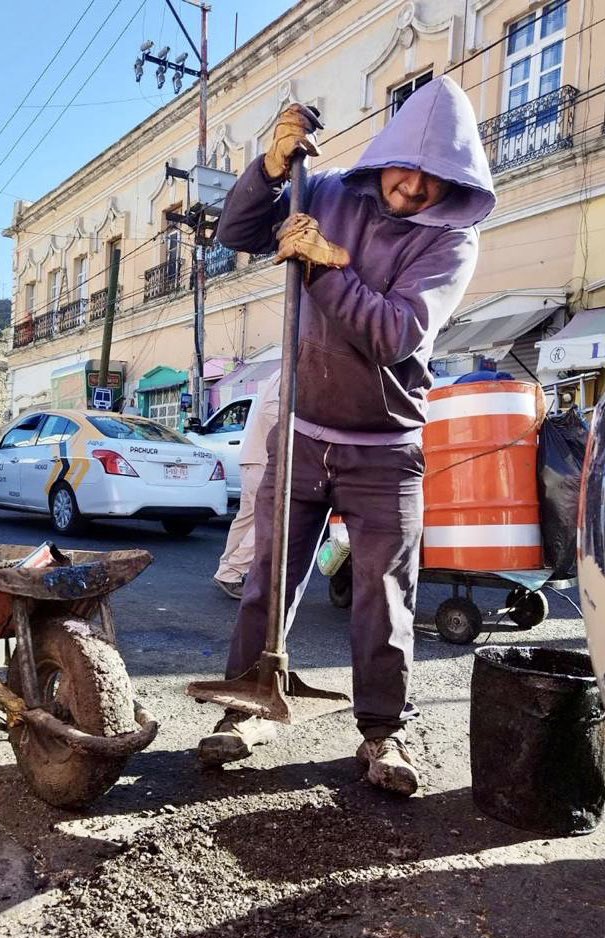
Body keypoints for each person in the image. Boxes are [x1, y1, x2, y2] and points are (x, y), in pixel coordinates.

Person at [197, 77, 496, 795]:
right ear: (385, 153)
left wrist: (327, 265)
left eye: (435, 178)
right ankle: (247, 706)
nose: (415, 185)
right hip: (300, 429)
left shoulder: (450, 245)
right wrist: (269, 171)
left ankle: (382, 732)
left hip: (384, 446)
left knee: (382, 595)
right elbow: (238, 233)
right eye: (406, 167)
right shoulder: (322, 188)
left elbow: (393, 335)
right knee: (267, 581)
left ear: (455, 183)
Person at [213, 368, 281, 599]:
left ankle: (226, 569)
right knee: (267, 520)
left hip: (256, 458)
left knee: (247, 519)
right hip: (266, 461)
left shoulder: (281, 372)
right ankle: (231, 572)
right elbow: (273, 410)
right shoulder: (290, 370)